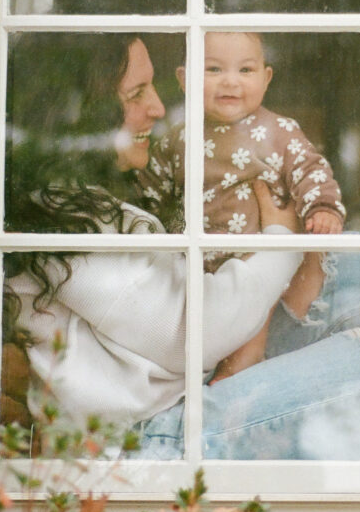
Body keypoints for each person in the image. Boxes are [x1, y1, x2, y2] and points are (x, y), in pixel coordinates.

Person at [4, 34, 360, 461]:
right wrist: (280, 235)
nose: (157, 108)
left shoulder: (83, 205)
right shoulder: (64, 224)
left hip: (176, 405)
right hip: (148, 444)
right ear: (78, 109)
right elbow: (195, 331)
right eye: (136, 92)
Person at [137, 30, 346, 378]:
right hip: (195, 265)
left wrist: (321, 207)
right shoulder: (177, 138)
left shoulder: (278, 131)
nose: (230, 82)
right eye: (214, 69)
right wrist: (146, 234)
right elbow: (152, 193)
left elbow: (310, 169)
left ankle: (238, 371)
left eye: (245, 71)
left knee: (249, 324)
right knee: (198, 330)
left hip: (255, 258)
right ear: (185, 79)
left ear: (266, 79)